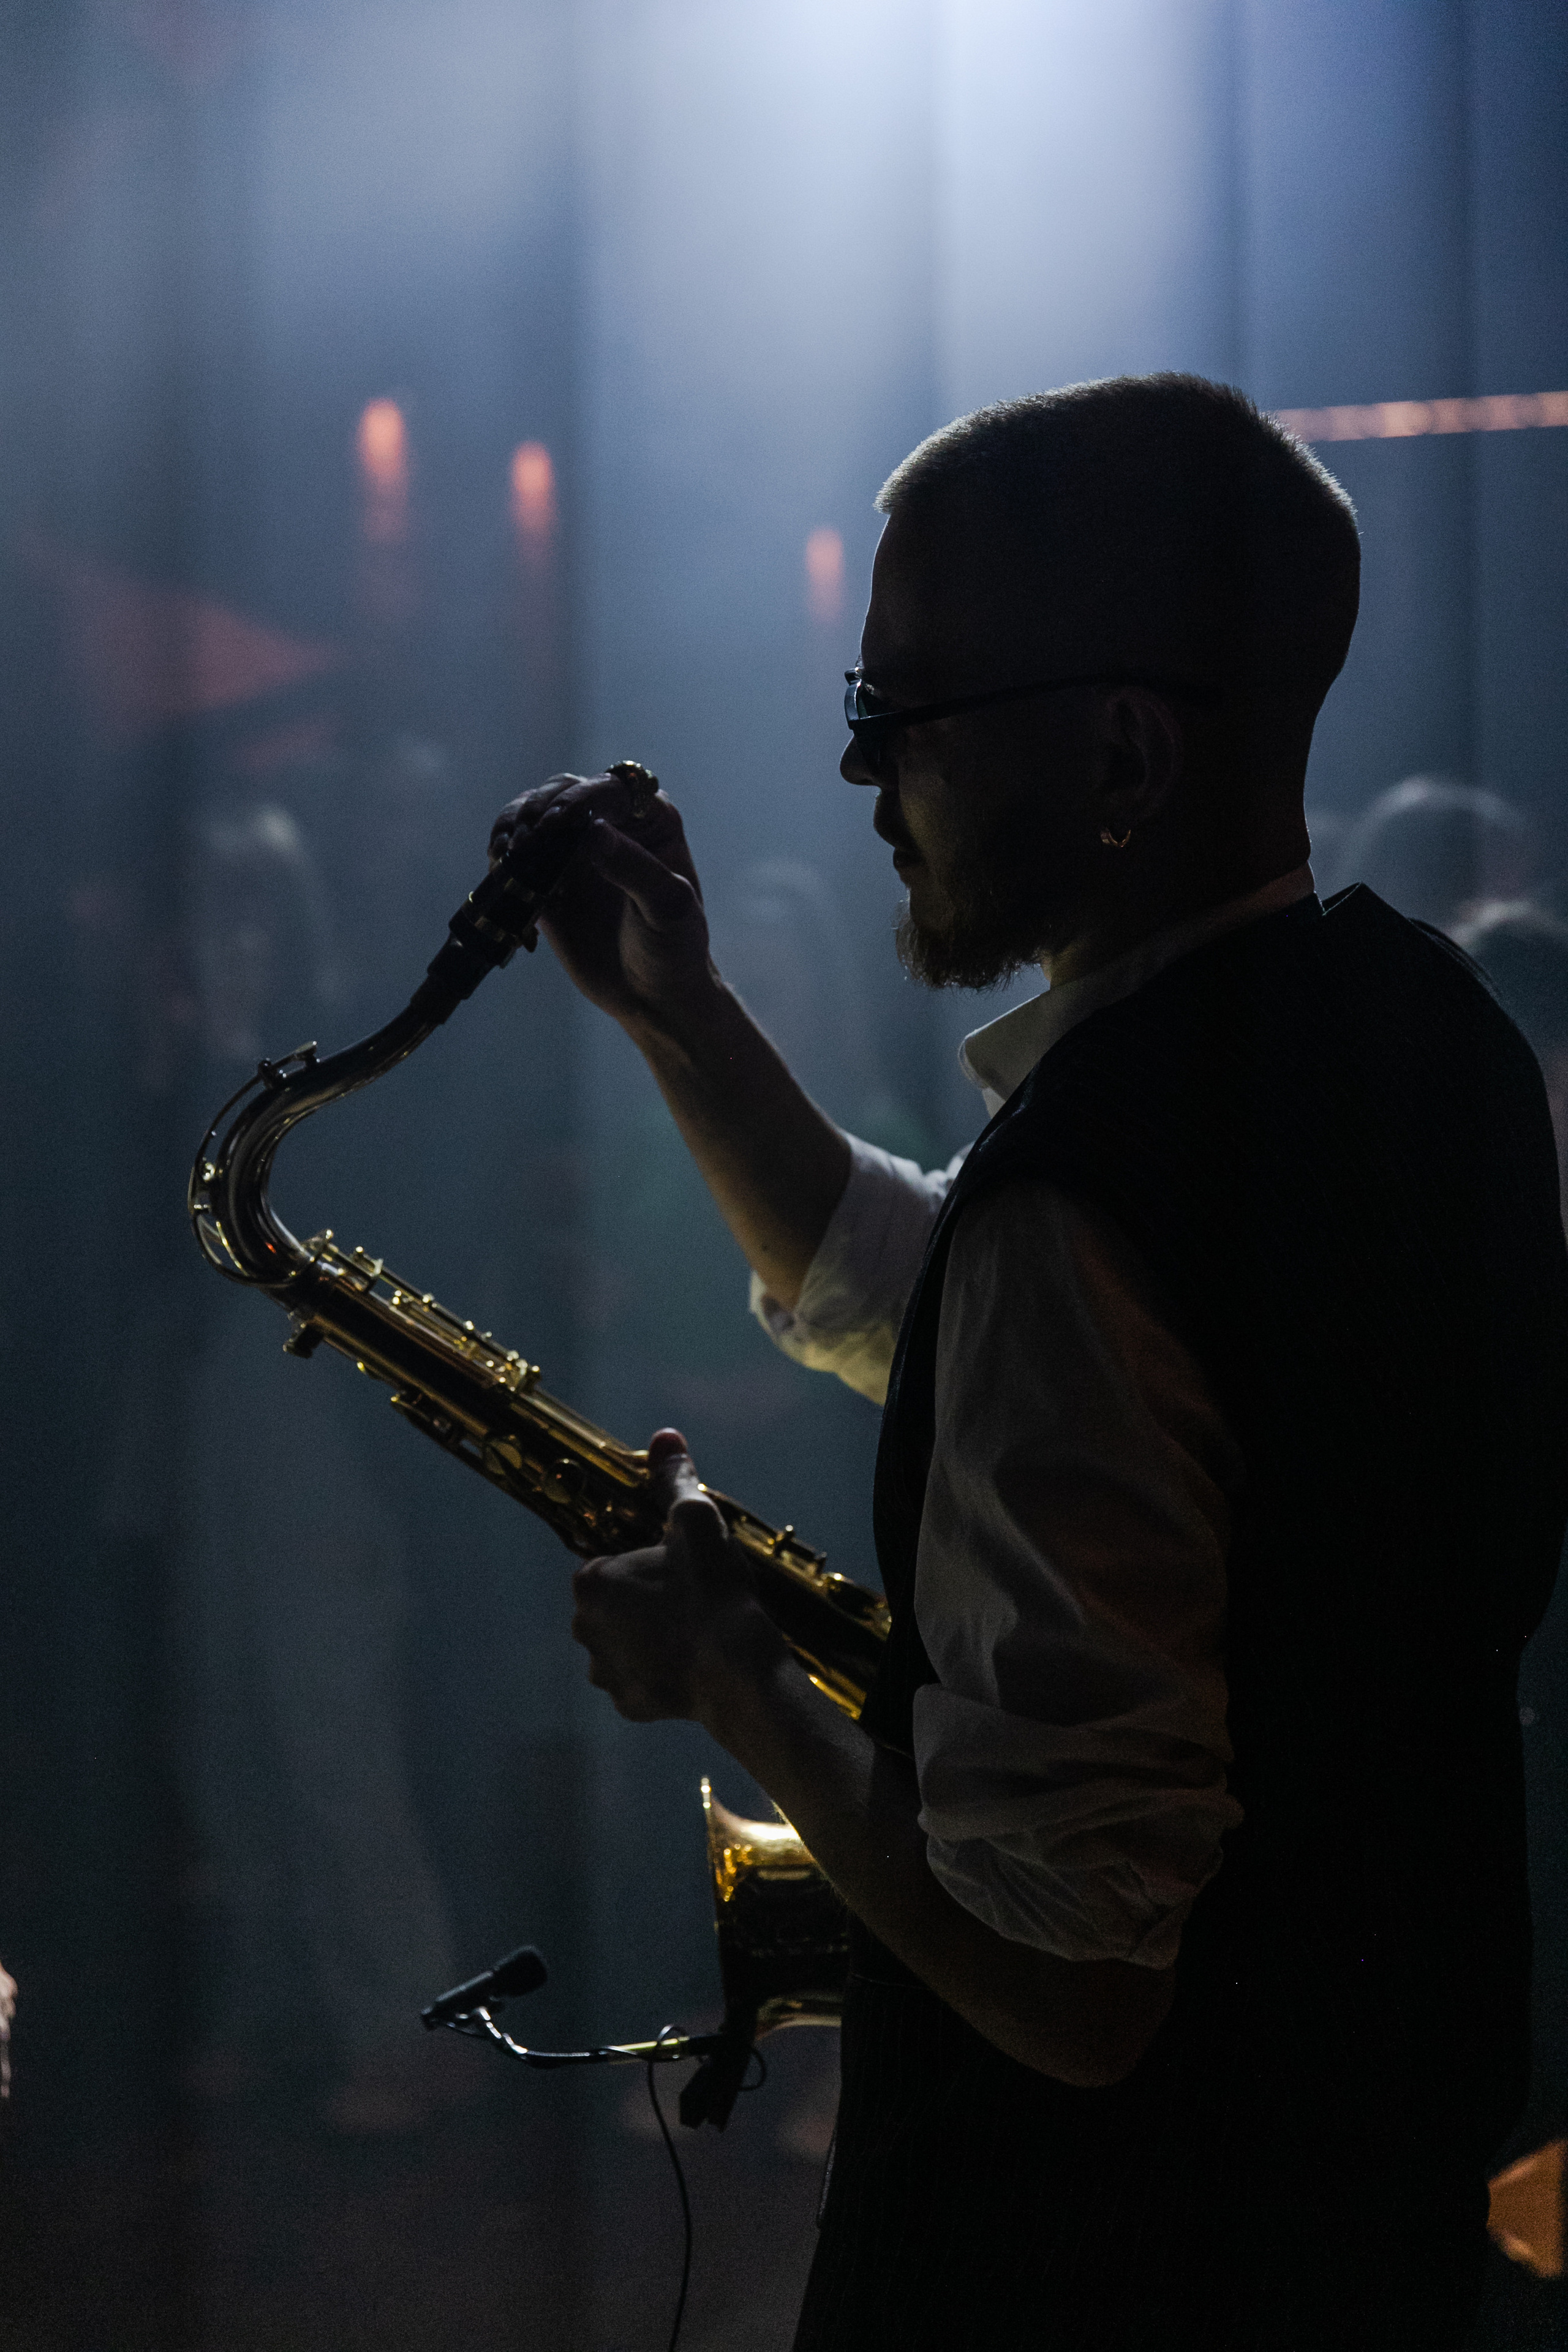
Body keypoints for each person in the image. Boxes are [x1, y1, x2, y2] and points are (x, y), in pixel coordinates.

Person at [490, 375, 1568, 2348]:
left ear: (1125, 752)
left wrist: (739, 1677)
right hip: (1372, 2217)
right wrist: (684, 1018)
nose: (860, 779)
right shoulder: (1429, 1049)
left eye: (900, 716)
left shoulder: (1087, 1213)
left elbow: (1076, 1993)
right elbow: (957, 1296)